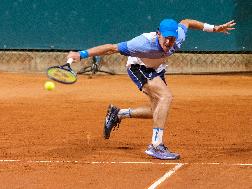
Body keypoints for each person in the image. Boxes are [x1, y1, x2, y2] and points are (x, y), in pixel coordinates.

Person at [67, 18, 236, 160]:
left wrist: (214, 28)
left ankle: (118, 113)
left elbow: (187, 22)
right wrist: (81, 55)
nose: (169, 42)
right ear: (158, 34)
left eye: (172, 39)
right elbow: (112, 47)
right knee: (166, 97)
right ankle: (155, 146)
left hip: (157, 69)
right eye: (166, 38)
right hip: (138, 67)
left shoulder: (178, 38)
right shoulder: (141, 43)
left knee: (157, 111)